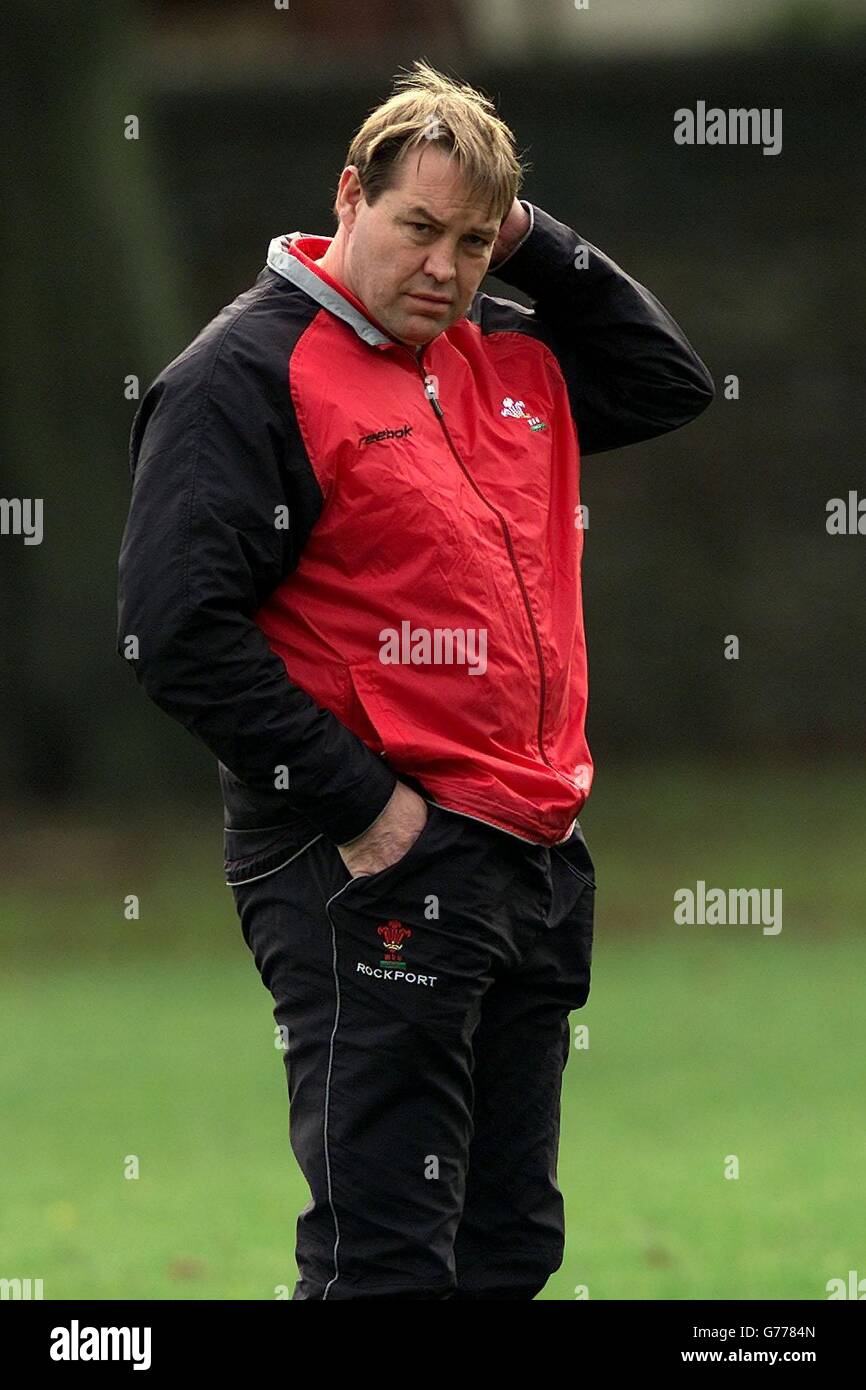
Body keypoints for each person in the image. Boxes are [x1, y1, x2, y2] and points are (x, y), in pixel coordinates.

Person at [116, 60, 714, 1300]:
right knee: (383, 1259)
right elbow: (177, 630)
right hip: (365, 859)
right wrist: (365, 808)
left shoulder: (498, 353)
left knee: (505, 1250)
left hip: (532, 853)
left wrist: (529, 237)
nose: (443, 267)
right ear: (348, 196)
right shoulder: (243, 374)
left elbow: (667, 381)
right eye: (416, 228)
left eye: (472, 241)